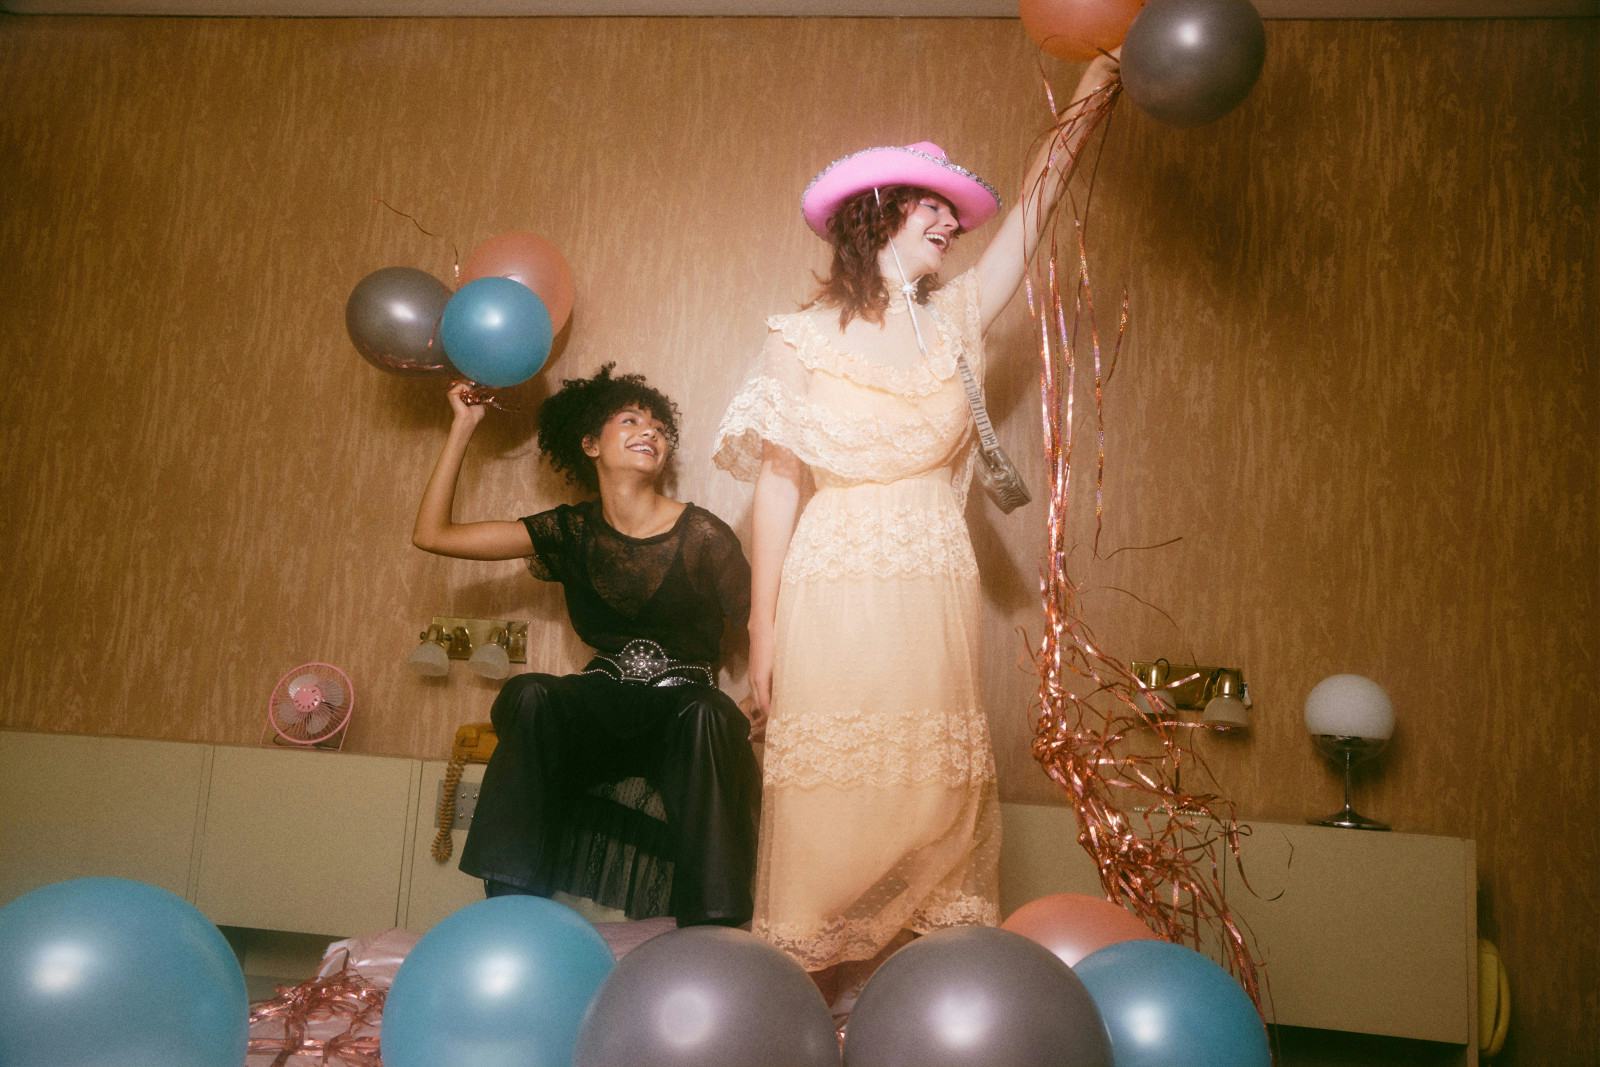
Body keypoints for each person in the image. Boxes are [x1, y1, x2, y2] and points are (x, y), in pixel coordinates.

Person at [712, 55, 1120, 985]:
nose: (950, 220)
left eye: (953, 210)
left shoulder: (961, 317)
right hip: (834, 577)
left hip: (932, 578)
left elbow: (1033, 213)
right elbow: (777, 488)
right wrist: (762, 631)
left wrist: (1091, 100)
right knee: (830, 798)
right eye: (929, 205)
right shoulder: (798, 339)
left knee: (931, 791)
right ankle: (809, 1002)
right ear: (876, 214)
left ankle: (921, 1007)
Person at [414, 365, 760, 928]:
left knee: (708, 713)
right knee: (530, 694)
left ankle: (713, 934)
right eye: (630, 419)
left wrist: (771, 697)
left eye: (657, 425)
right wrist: (463, 426)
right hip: (602, 704)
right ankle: (508, 919)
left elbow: (764, 627)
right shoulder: (570, 530)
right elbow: (434, 535)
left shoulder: (705, 536)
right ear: (590, 444)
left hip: (682, 713)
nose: (650, 430)